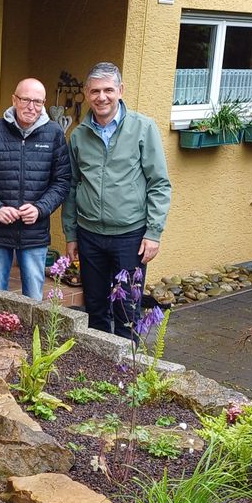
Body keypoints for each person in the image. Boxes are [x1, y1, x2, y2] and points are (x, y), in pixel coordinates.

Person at [63, 62, 171, 338]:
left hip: (130, 238)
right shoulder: (78, 135)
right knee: (96, 309)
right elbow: (73, 186)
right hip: (90, 236)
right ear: (87, 94)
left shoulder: (143, 128)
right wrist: (71, 234)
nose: (102, 97)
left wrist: (154, 232)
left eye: (108, 90)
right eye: (95, 91)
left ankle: (127, 373)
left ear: (120, 91)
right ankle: (102, 373)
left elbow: (159, 184)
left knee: (127, 309)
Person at [0, 77, 71, 300]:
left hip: (35, 235)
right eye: (25, 100)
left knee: (34, 300)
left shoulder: (54, 134)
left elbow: (62, 182)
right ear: (14, 99)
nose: (31, 107)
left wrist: (41, 209)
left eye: (38, 102)